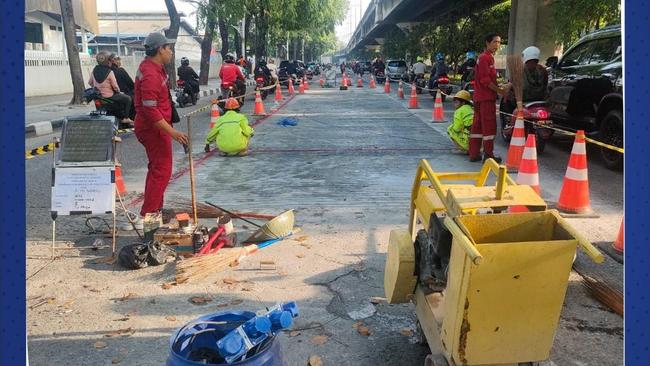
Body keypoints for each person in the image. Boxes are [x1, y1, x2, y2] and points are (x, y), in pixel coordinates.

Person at [133, 32, 189, 217]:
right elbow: (150, 110)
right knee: (162, 171)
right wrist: (172, 132)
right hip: (153, 129)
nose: (171, 52)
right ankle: (149, 214)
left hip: (158, 127)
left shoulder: (155, 68)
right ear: (159, 50)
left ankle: (155, 209)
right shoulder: (150, 73)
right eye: (168, 48)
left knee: (157, 169)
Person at [468, 33, 511, 163]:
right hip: (486, 98)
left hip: (480, 98)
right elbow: (485, 80)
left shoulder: (487, 58)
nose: (497, 45)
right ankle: (488, 154)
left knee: (477, 127)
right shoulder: (485, 58)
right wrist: (501, 91)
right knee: (489, 127)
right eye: (495, 42)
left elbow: (488, 79)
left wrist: (500, 86)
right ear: (487, 43)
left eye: (499, 42)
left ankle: (474, 154)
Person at [501, 46, 549, 118]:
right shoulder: (543, 70)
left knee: (506, 100)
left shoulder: (519, 70)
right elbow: (545, 86)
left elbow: (509, 86)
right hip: (540, 100)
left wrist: (505, 93)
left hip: (523, 101)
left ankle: (508, 123)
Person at [88, 51, 133, 125]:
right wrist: (118, 92)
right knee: (128, 99)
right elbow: (115, 86)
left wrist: (97, 88)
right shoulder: (109, 72)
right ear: (108, 61)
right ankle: (126, 118)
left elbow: (90, 83)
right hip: (109, 96)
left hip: (98, 96)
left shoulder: (94, 70)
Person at [108, 54, 136, 120]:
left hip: (111, 94)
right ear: (113, 61)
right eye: (117, 59)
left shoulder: (107, 71)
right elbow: (130, 83)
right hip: (123, 93)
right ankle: (130, 118)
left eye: (119, 59)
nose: (119, 61)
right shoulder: (120, 70)